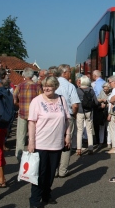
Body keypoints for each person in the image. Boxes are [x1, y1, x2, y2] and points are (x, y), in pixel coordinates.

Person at [28, 76, 71, 207]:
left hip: (56, 143)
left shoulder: (61, 99)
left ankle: (47, 194)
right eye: (44, 86)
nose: (46, 88)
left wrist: (68, 135)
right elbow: (32, 122)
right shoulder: (36, 101)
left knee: (51, 172)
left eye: (49, 86)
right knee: (39, 173)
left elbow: (67, 119)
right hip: (40, 142)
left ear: (55, 87)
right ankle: (35, 200)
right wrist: (31, 141)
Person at [55, 64, 80, 178]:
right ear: (64, 73)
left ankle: (54, 169)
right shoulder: (70, 86)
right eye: (69, 71)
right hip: (67, 115)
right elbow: (75, 105)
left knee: (55, 142)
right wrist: (74, 115)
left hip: (53, 117)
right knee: (66, 142)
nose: (71, 73)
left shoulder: (52, 84)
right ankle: (62, 170)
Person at [14, 67, 43, 163]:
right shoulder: (37, 86)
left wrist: (20, 105)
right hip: (34, 115)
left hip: (22, 113)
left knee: (20, 136)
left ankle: (19, 156)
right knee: (33, 136)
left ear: (23, 75)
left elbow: (14, 100)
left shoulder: (19, 86)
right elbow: (41, 100)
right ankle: (33, 154)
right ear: (32, 76)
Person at [76, 75, 98, 155]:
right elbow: (96, 102)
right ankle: (90, 148)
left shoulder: (77, 90)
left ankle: (79, 149)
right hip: (89, 111)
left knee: (80, 130)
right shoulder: (91, 90)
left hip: (80, 111)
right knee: (89, 130)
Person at [106, 75, 115, 153]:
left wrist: (110, 114)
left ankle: (114, 147)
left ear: (114, 82)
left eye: (110, 82)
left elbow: (113, 103)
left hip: (113, 113)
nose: (109, 84)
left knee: (112, 130)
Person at [92, 70, 106, 145]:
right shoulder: (104, 82)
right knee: (103, 122)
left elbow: (96, 95)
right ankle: (103, 139)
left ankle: (98, 140)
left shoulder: (95, 84)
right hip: (105, 103)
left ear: (95, 76)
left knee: (96, 123)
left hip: (98, 104)